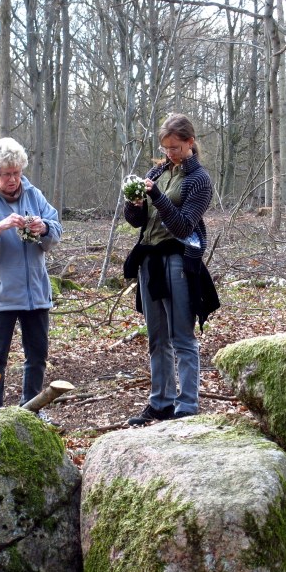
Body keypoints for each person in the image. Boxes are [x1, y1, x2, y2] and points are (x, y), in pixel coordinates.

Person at [122, 113, 219, 425]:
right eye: (165, 147)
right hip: (149, 260)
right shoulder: (158, 171)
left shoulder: (199, 180)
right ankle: (160, 402)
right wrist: (134, 203)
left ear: (190, 142)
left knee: (181, 336)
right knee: (156, 337)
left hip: (178, 260)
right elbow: (137, 222)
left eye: (175, 147)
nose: (169, 153)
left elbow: (181, 225)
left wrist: (156, 196)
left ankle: (187, 404)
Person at [0, 137, 62, 413]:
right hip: (0, 295)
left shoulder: (34, 195)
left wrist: (45, 229)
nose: (13, 179)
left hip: (35, 293)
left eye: (17, 173)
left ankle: (31, 411)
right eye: (7, 174)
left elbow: (56, 231)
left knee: (37, 356)